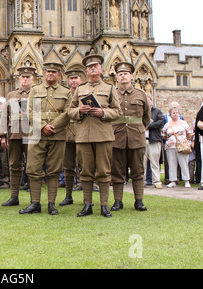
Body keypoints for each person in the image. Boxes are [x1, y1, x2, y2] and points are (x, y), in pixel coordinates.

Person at [68, 54, 122, 217]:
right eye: (90, 66)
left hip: (103, 135)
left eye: (95, 66)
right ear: (86, 70)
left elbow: (118, 112)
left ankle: (104, 205)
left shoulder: (109, 88)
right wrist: (79, 111)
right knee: (85, 171)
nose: (92, 68)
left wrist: (103, 112)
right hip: (83, 135)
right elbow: (70, 111)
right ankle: (87, 205)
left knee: (104, 171)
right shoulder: (80, 89)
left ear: (101, 69)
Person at [19, 62, 71, 215]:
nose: (50, 74)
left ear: (59, 75)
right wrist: (42, 126)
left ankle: (51, 204)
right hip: (36, 134)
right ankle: (35, 203)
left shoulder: (66, 92)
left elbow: (68, 113)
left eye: (54, 72)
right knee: (33, 169)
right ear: (44, 73)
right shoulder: (35, 90)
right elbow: (29, 111)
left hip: (57, 135)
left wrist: (52, 127)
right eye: (48, 71)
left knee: (54, 171)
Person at [110, 62, 151, 211]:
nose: (123, 76)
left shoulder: (141, 94)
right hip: (117, 137)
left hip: (136, 137)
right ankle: (118, 201)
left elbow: (146, 117)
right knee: (117, 171)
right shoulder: (112, 93)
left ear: (131, 76)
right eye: (120, 74)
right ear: (117, 78)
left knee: (138, 171)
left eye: (125, 73)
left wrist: (139, 129)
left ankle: (139, 200)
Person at [0, 67, 33, 206]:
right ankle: (14, 196)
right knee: (14, 165)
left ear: (32, 79)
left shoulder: (36, 94)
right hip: (14, 133)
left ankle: (34, 198)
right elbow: (4, 116)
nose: (25, 79)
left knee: (32, 166)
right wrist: (2, 135)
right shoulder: (11, 95)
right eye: (23, 77)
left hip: (32, 134)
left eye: (28, 77)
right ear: (19, 78)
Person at [59, 68, 84, 207]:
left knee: (84, 166)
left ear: (80, 79)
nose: (73, 81)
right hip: (67, 134)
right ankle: (68, 195)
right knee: (68, 167)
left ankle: (86, 197)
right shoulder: (64, 94)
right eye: (71, 78)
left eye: (76, 78)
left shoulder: (86, 92)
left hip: (82, 133)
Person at [162, 106, 192, 188]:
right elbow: (164, 136)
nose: (175, 114)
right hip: (170, 146)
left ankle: (186, 180)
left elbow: (189, 134)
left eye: (177, 113)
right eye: (173, 113)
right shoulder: (167, 125)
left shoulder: (183, 123)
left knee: (184, 163)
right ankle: (172, 180)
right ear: (170, 115)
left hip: (182, 146)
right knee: (171, 163)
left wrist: (185, 141)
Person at [143, 93, 164, 189]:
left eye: (148, 100)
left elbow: (160, 122)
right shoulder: (141, 112)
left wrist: (149, 126)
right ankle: (142, 181)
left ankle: (156, 180)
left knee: (154, 162)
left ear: (151, 101)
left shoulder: (157, 111)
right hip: (142, 140)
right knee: (142, 162)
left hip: (154, 140)